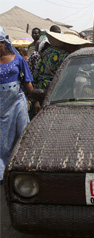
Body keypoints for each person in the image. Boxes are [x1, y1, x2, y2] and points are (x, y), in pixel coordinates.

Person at [0, 26, 35, 183]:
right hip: (1, 106)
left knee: (23, 133)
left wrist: (36, 100)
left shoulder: (18, 59)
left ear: (3, 42)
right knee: (3, 140)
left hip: (17, 103)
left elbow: (28, 85)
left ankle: (23, 167)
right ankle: (4, 171)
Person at [33, 31, 94, 114]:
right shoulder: (69, 57)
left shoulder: (47, 51)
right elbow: (70, 80)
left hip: (40, 90)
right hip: (56, 92)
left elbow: (36, 73)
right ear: (70, 45)